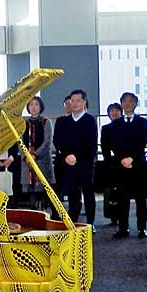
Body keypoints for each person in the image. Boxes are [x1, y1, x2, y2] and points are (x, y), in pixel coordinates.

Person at [53, 89, 98, 226]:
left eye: (78, 101)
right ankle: (73, 222)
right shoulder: (63, 122)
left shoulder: (90, 120)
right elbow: (57, 141)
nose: (75, 103)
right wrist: (67, 156)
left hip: (85, 163)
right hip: (68, 163)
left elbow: (91, 143)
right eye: (72, 101)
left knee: (88, 194)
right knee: (73, 194)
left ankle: (90, 222)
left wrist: (76, 156)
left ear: (84, 102)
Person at [110, 92, 147, 239]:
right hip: (121, 166)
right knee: (122, 198)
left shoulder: (142, 122)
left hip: (138, 165)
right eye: (125, 101)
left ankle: (142, 228)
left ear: (135, 104)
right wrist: (122, 159)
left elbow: (142, 142)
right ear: (121, 104)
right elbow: (114, 144)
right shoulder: (116, 124)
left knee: (140, 198)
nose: (127, 104)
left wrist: (131, 158)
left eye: (131, 101)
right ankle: (123, 229)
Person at [18, 95, 54, 211]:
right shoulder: (24, 123)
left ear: (40, 107)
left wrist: (35, 154)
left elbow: (47, 141)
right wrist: (26, 156)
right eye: (31, 105)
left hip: (41, 160)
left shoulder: (46, 121)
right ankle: (33, 212)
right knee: (30, 189)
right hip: (27, 161)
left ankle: (42, 211)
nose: (34, 107)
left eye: (36, 105)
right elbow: (20, 142)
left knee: (42, 187)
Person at [101, 102, 123, 226]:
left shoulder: (125, 127)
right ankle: (112, 216)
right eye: (111, 111)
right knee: (110, 191)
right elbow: (104, 147)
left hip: (124, 162)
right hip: (111, 163)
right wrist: (108, 160)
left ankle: (121, 216)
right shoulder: (106, 128)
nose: (114, 113)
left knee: (122, 191)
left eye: (116, 111)